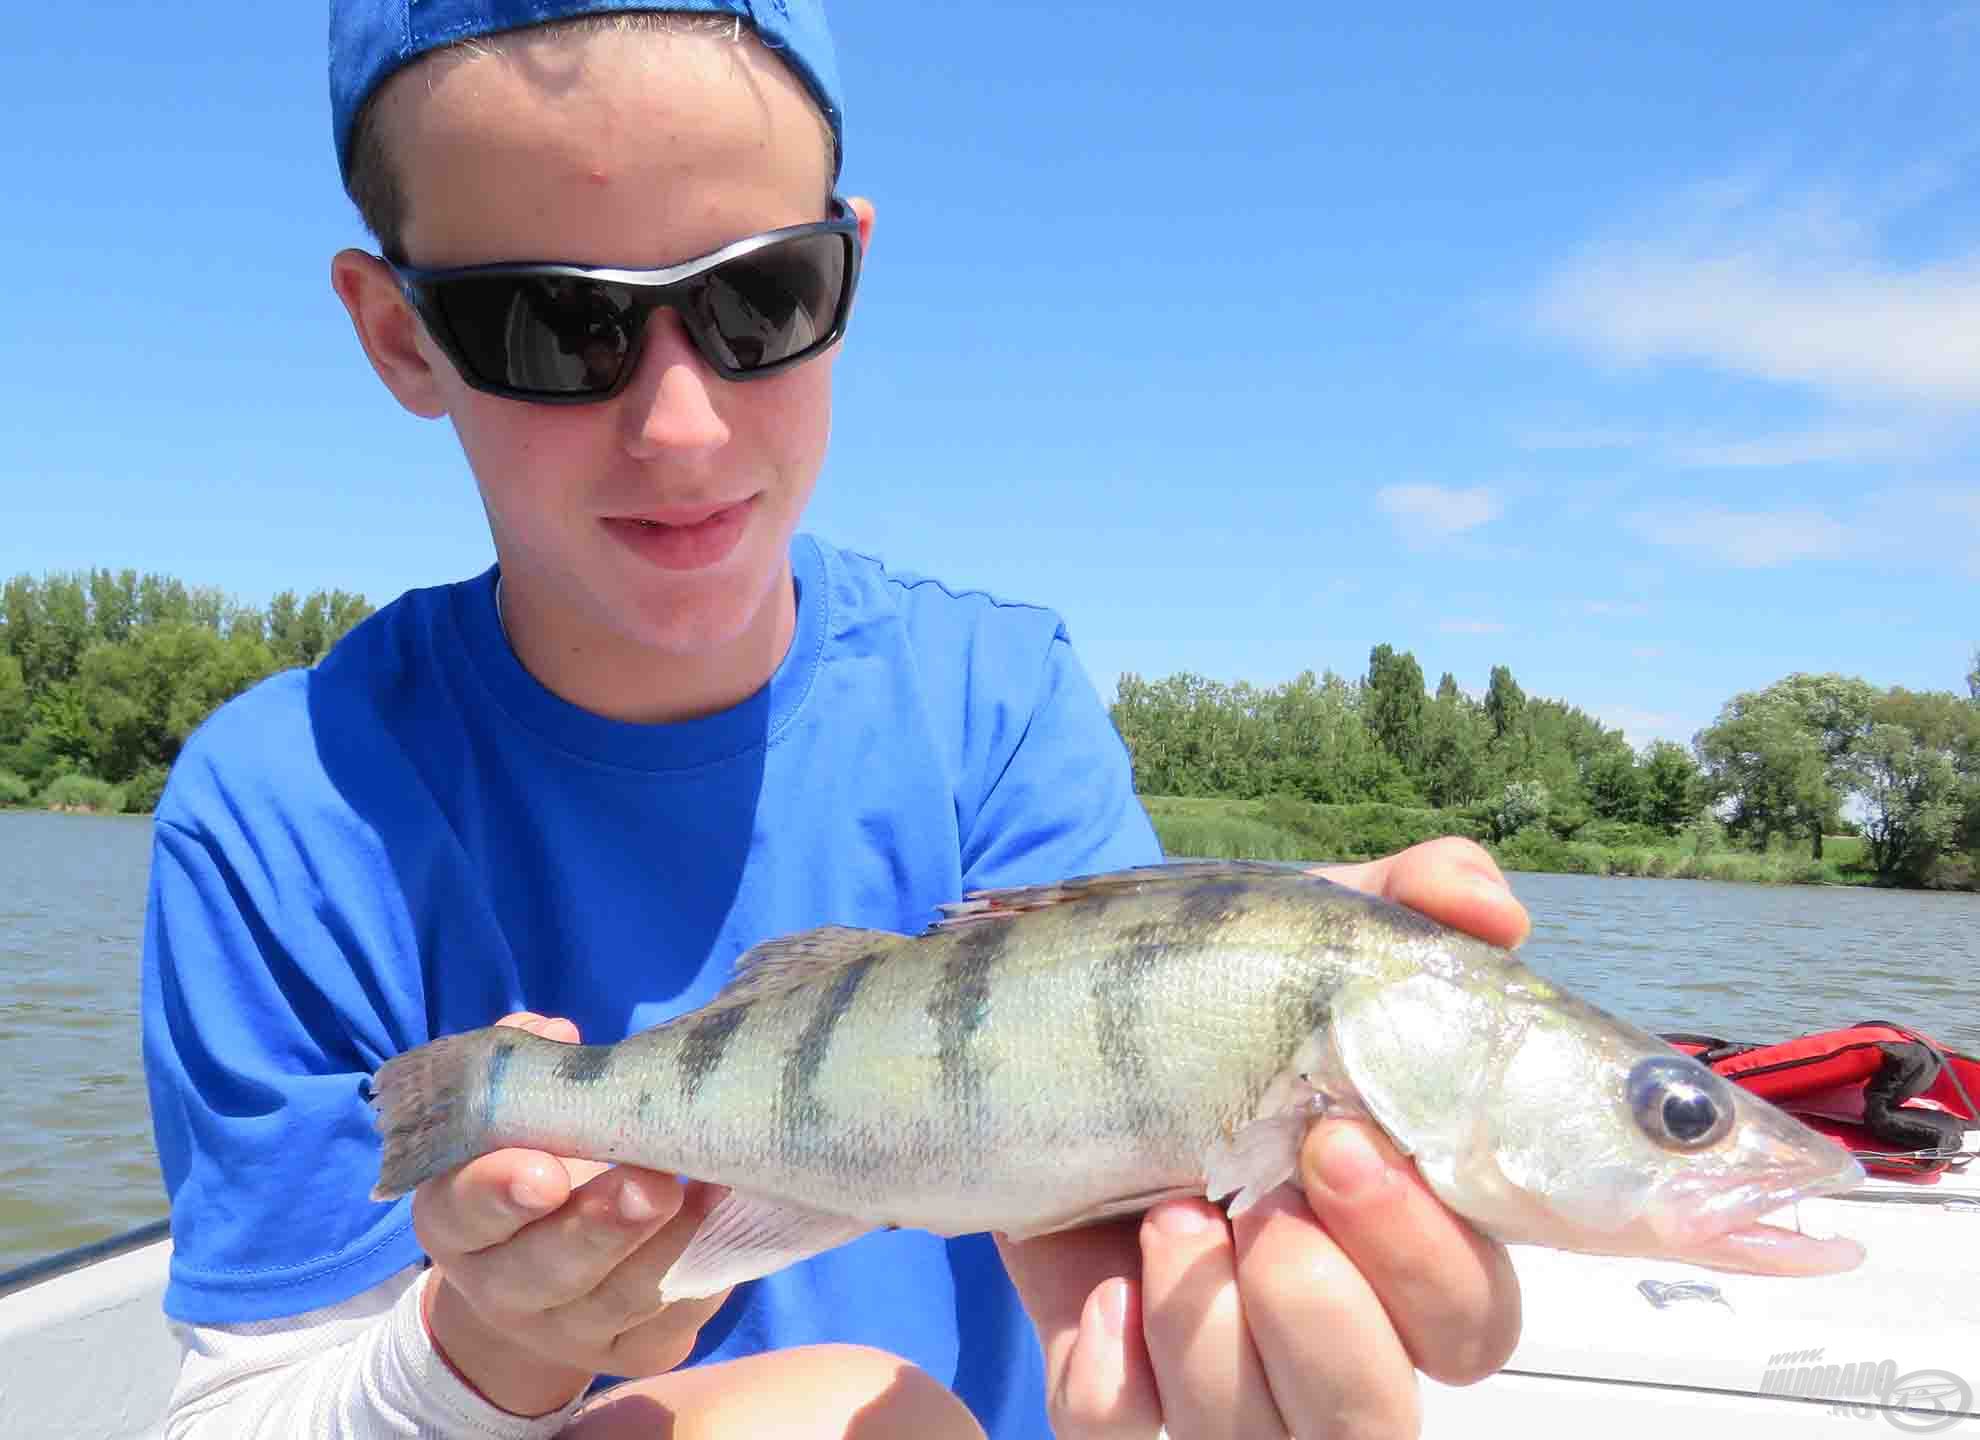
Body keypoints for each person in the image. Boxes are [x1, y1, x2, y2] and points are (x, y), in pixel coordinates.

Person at [140, 3, 1530, 1436]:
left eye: (764, 299)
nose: (680, 426)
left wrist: (1210, 1265)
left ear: (846, 267)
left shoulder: (998, 703)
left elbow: (1101, 1165)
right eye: (554, 325)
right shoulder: (283, 810)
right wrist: (488, 1346)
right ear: (400, 336)